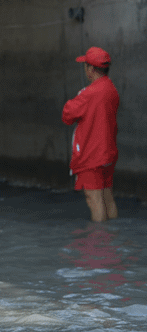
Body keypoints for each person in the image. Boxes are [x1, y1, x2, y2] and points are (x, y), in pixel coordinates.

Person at [62, 47, 119, 223]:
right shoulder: (111, 89)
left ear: (91, 69)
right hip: (107, 153)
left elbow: (67, 115)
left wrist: (81, 95)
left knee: (93, 199)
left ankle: (100, 244)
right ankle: (112, 239)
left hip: (91, 155)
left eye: (85, 66)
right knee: (107, 195)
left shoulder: (90, 93)